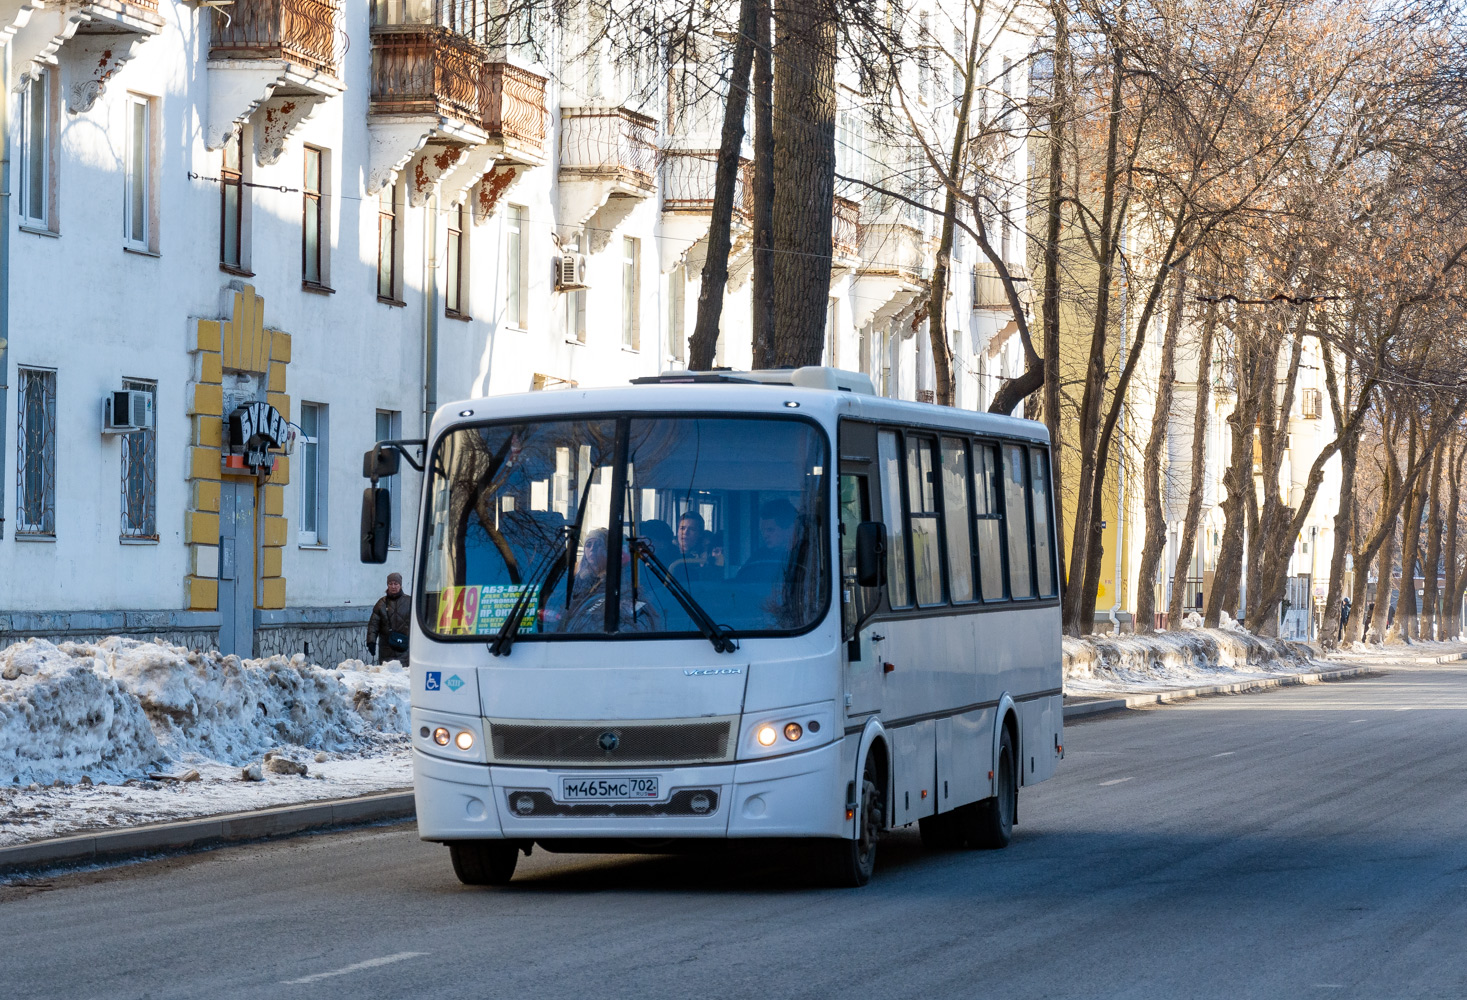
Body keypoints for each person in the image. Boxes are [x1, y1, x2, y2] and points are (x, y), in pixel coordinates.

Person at [367, 572, 411, 666]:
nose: (393, 586)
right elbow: (373, 624)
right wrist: (371, 641)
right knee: (387, 676)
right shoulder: (381, 603)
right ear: (387, 585)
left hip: (404, 649)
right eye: (390, 584)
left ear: (400, 585)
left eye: (396, 584)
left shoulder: (409, 602)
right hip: (386, 649)